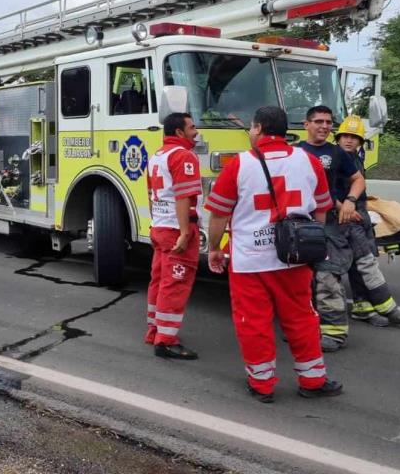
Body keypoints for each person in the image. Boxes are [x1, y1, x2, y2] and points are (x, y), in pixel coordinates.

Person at [205, 106, 342, 402]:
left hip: (249, 260)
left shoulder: (240, 164)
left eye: (252, 128)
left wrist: (214, 248)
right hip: (294, 257)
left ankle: (262, 384)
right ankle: (313, 380)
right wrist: (307, 244)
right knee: (303, 318)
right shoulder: (308, 160)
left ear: (258, 128)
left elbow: (218, 214)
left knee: (253, 322)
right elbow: (321, 209)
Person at [297, 105, 366, 353]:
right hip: (300, 224)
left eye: (328, 122)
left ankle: (335, 334)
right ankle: (308, 328)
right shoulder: (294, 153)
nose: (324, 126)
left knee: (328, 277)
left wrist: (349, 201)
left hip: (331, 225)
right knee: (302, 281)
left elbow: (358, 179)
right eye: (319, 121)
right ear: (306, 125)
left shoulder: (337, 154)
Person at [334, 115, 400, 327]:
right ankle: (377, 306)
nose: (349, 140)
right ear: (338, 138)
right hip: (343, 216)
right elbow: (328, 191)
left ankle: (363, 305)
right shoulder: (335, 159)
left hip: (359, 214)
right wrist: (345, 208)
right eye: (345, 136)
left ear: (360, 141)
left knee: (362, 262)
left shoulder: (356, 158)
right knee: (360, 261)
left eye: (354, 137)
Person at [144, 112, 202, 360]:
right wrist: (185, 232)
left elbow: (150, 195)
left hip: (160, 227)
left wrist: (155, 224)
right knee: (175, 284)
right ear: (179, 132)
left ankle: (155, 330)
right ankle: (166, 341)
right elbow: (183, 197)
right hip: (175, 230)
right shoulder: (183, 156)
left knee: (158, 280)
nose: (196, 131)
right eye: (191, 127)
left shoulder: (157, 156)